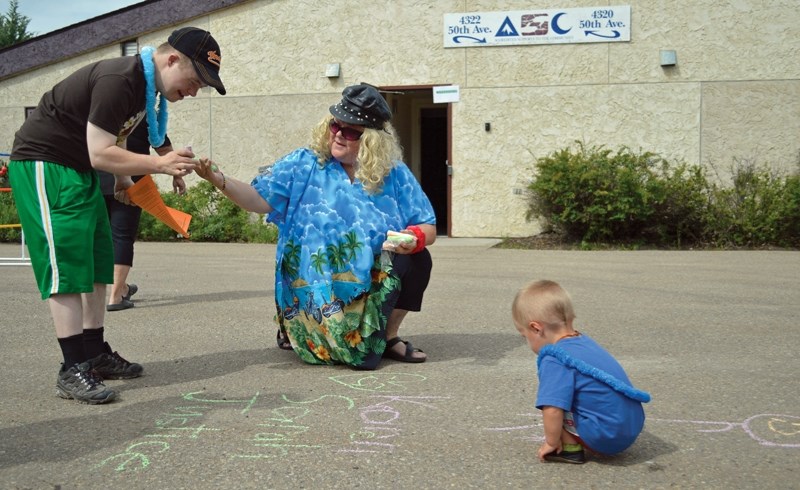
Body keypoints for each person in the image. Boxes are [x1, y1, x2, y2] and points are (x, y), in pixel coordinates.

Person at [7, 27, 226, 404]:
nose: (193, 92)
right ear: (171, 59)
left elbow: (117, 138)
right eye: (195, 81)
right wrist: (158, 164)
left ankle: (94, 352)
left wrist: (125, 179)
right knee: (68, 268)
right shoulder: (119, 79)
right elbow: (99, 151)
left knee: (96, 263)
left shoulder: (142, 90)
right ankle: (72, 367)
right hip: (47, 163)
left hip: (80, 171)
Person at [195, 83, 436, 369]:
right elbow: (258, 199)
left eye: (350, 132)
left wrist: (411, 238)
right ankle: (297, 327)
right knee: (362, 360)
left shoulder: (394, 173)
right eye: (336, 125)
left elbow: (427, 226)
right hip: (317, 288)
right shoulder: (304, 163)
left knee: (419, 260)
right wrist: (218, 179)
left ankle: (389, 335)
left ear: (372, 140)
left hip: (370, 282)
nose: (338, 135)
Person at [511, 280, 650, 464]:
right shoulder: (584, 342)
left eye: (524, 336)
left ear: (536, 328)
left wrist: (551, 442)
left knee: (553, 403)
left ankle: (569, 450)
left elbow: (552, 409)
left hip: (607, 436)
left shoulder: (555, 358)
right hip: (632, 425)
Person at [98, 122, 184, 312]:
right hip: (131, 182)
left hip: (96, 180)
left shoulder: (100, 110)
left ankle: (121, 288)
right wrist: (177, 174)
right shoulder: (142, 115)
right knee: (122, 236)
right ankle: (116, 295)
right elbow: (163, 147)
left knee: (100, 238)